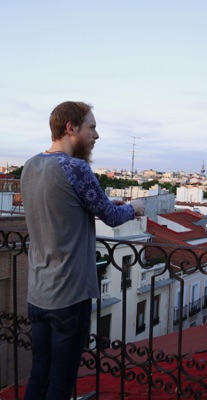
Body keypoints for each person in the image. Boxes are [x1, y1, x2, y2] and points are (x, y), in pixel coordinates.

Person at [21, 101, 145, 400]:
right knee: (61, 383)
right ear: (70, 128)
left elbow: (66, 206)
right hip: (69, 293)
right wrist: (135, 208)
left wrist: (107, 204)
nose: (96, 135)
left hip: (38, 293)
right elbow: (112, 218)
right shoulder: (74, 167)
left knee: (39, 375)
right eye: (91, 127)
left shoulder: (30, 166)